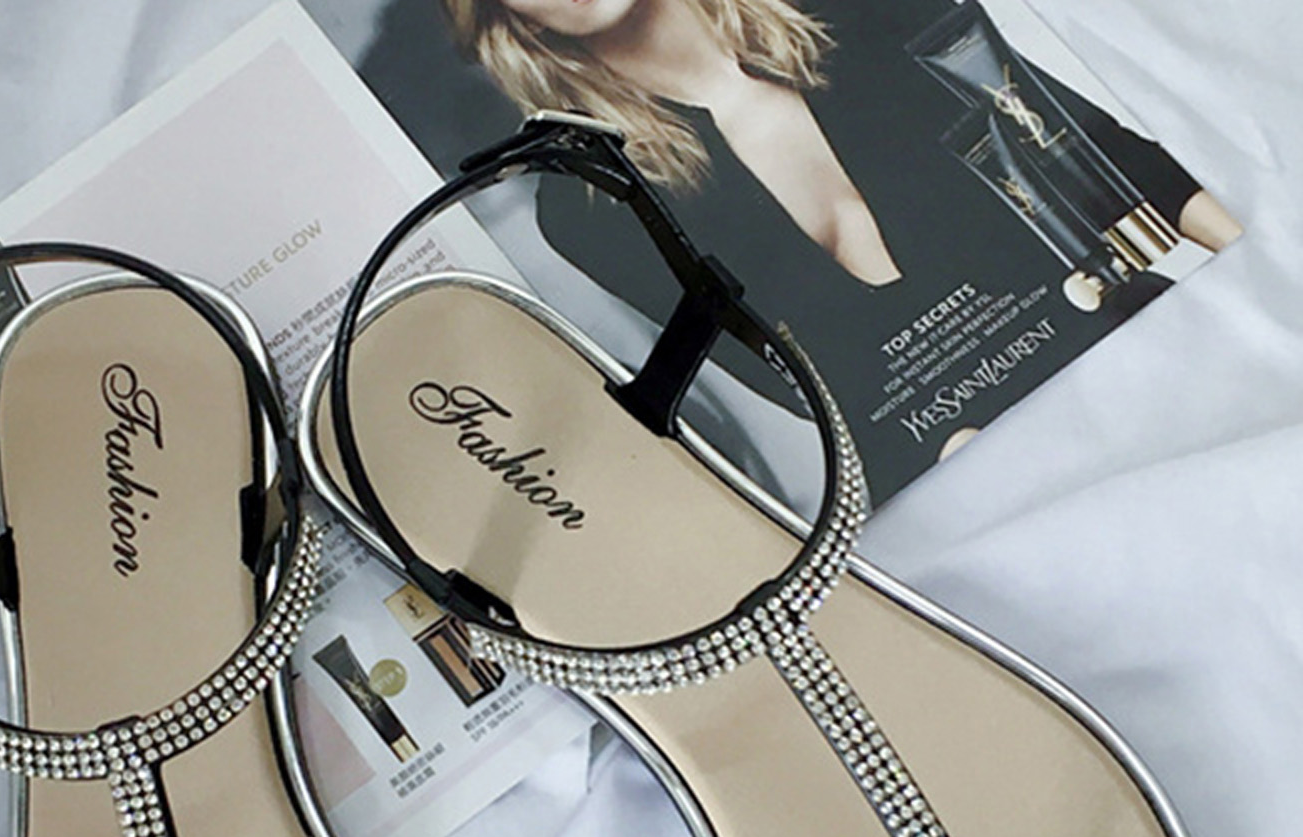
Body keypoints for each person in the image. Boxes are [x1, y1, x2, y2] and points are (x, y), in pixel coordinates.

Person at [437, 0, 1240, 501]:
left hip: (1133, 341)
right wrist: (952, 460)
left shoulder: (850, 10)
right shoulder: (587, 210)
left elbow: (1081, 141)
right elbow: (798, 382)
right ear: (506, 18)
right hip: (956, 466)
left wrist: (1253, 259)